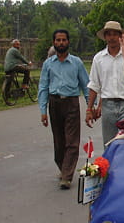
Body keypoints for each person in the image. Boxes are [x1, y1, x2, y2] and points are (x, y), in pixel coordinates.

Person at [38, 29, 90, 190]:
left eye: (64, 40)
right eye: (58, 40)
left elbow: (86, 86)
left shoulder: (76, 63)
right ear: (54, 42)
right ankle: (63, 167)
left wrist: (91, 107)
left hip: (71, 103)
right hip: (54, 103)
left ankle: (67, 176)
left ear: (68, 42)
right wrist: (43, 110)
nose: (61, 43)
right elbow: (43, 87)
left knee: (72, 141)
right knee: (59, 141)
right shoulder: (48, 64)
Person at [86, 20, 124, 147]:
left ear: (120, 36)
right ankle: (109, 167)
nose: (112, 38)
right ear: (105, 37)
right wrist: (89, 109)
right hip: (108, 105)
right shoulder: (99, 58)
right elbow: (94, 85)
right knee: (109, 144)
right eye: (108, 34)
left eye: (115, 34)